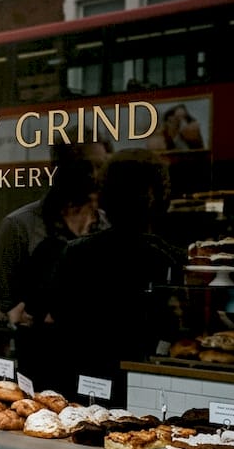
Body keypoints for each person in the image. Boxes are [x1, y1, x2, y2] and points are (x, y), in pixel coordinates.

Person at [50, 149, 186, 406]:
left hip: (85, 381)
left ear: (104, 198)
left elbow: (60, 317)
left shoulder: (77, 253)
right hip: (149, 384)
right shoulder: (169, 257)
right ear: (157, 199)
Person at [0, 141, 110, 357]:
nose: (94, 176)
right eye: (84, 167)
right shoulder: (20, 227)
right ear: (60, 170)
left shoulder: (107, 228)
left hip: (94, 365)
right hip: (39, 365)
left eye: (101, 167)